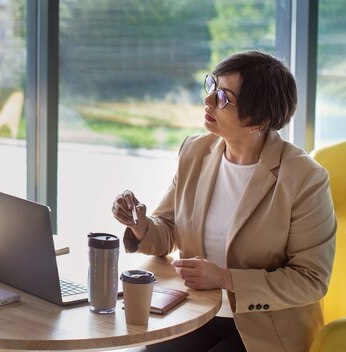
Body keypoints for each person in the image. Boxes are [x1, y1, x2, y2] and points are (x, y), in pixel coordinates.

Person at [112, 51, 336, 352]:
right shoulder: (195, 151)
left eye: (223, 98)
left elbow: (311, 280)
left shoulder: (304, 178)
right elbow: (167, 230)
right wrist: (139, 225)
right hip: (195, 312)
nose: (207, 101)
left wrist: (226, 278)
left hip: (263, 330)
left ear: (259, 120)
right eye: (211, 87)